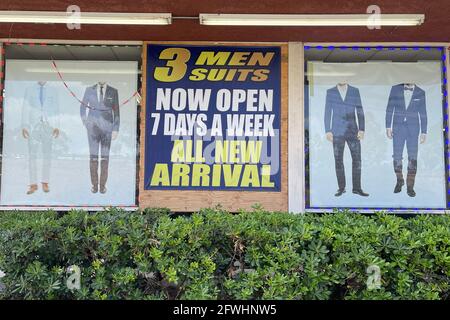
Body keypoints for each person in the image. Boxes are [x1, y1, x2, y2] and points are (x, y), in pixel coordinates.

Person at [324, 83, 369, 197]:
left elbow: (359, 110)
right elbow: (328, 111)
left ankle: (357, 188)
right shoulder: (331, 91)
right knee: (338, 160)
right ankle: (341, 188)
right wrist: (328, 130)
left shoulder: (355, 90)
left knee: (357, 160)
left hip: (353, 130)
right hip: (337, 131)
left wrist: (362, 129)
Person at [385, 83, 427, 197]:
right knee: (397, 156)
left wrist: (424, 131)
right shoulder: (395, 89)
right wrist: (388, 127)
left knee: (412, 158)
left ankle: (410, 186)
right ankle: (399, 180)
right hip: (398, 128)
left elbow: (423, 113)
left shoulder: (420, 92)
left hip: (413, 130)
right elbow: (390, 108)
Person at [80, 81, 120, 194]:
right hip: (92, 128)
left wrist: (116, 128)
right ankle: (94, 185)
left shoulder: (113, 91)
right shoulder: (89, 89)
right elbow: (82, 107)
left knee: (105, 158)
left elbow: (116, 111)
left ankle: (102, 186)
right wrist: (86, 123)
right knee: (93, 157)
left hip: (108, 129)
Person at [21, 81, 60, 194]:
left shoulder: (53, 90)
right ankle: (33, 184)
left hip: (48, 126)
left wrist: (57, 126)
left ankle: (45, 182)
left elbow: (56, 109)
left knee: (47, 155)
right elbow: (25, 107)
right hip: (33, 127)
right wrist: (24, 125)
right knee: (32, 156)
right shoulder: (30, 89)